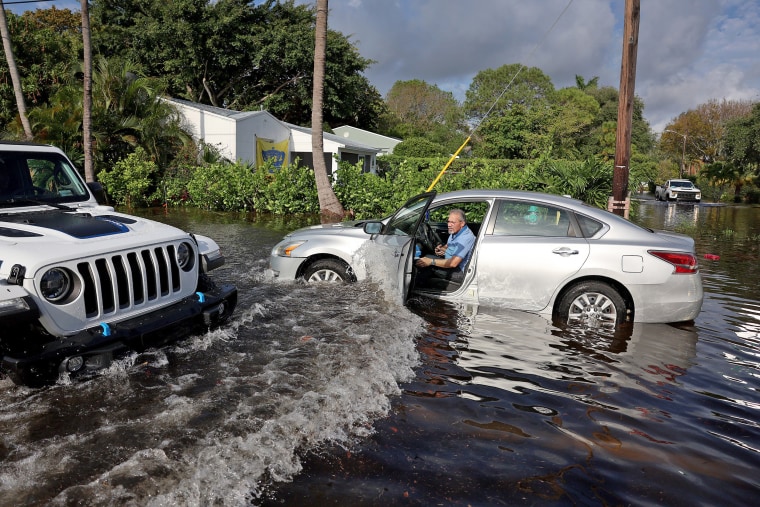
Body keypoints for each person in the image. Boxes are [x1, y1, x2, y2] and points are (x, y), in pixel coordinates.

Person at [415, 208, 475, 286]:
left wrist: (431, 261)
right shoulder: (456, 232)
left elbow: (453, 263)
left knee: (428, 265)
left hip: (460, 271)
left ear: (462, 223)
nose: (449, 225)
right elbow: (449, 246)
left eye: (452, 222)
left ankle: (417, 290)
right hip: (452, 262)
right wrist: (442, 249)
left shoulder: (465, 238)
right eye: (448, 221)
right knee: (426, 257)